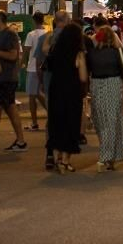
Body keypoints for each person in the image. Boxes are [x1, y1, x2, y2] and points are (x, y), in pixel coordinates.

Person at [0, 11, 29, 155]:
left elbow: (13, 55)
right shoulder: (0, 34)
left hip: (7, 78)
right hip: (3, 77)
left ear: (0, 19)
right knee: (11, 109)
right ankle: (21, 141)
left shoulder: (9, 34)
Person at [44, 22, 88, 173]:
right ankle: (65, 160)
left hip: (56, 89)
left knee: (56, 123)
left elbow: (46, 58)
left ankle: (56, 158)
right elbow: (82, 77)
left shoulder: (55, 50)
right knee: (70, 124)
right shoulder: (78, 53)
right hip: (72, 91)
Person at [86, 26, 123, 171]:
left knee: (100, 121)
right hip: (113, 85)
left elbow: (87, 71)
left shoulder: (92, 54)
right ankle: (110, 156)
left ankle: (107, 155)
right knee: (113, 122)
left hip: (96, 86)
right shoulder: (117, 52)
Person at [23, 14, 50, 130]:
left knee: (32, 96)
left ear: (34, 21)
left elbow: (26, 50)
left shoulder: (31, 34)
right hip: (45, 68)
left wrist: (23, 63)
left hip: (33, 67)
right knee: (39, 93)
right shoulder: (48, 34)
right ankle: (51, 114)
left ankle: (34, 123)